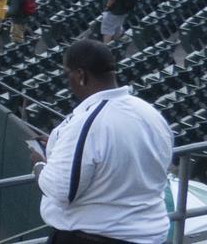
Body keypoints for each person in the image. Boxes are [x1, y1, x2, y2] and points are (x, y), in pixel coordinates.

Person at [37, 39, 174, 244]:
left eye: (68, 73)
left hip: (96, 237)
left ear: (81, 75)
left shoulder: (88, 123)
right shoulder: (149, 113)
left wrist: (38, 165)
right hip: (149, 235)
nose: (68, 81)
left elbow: (61, 191)